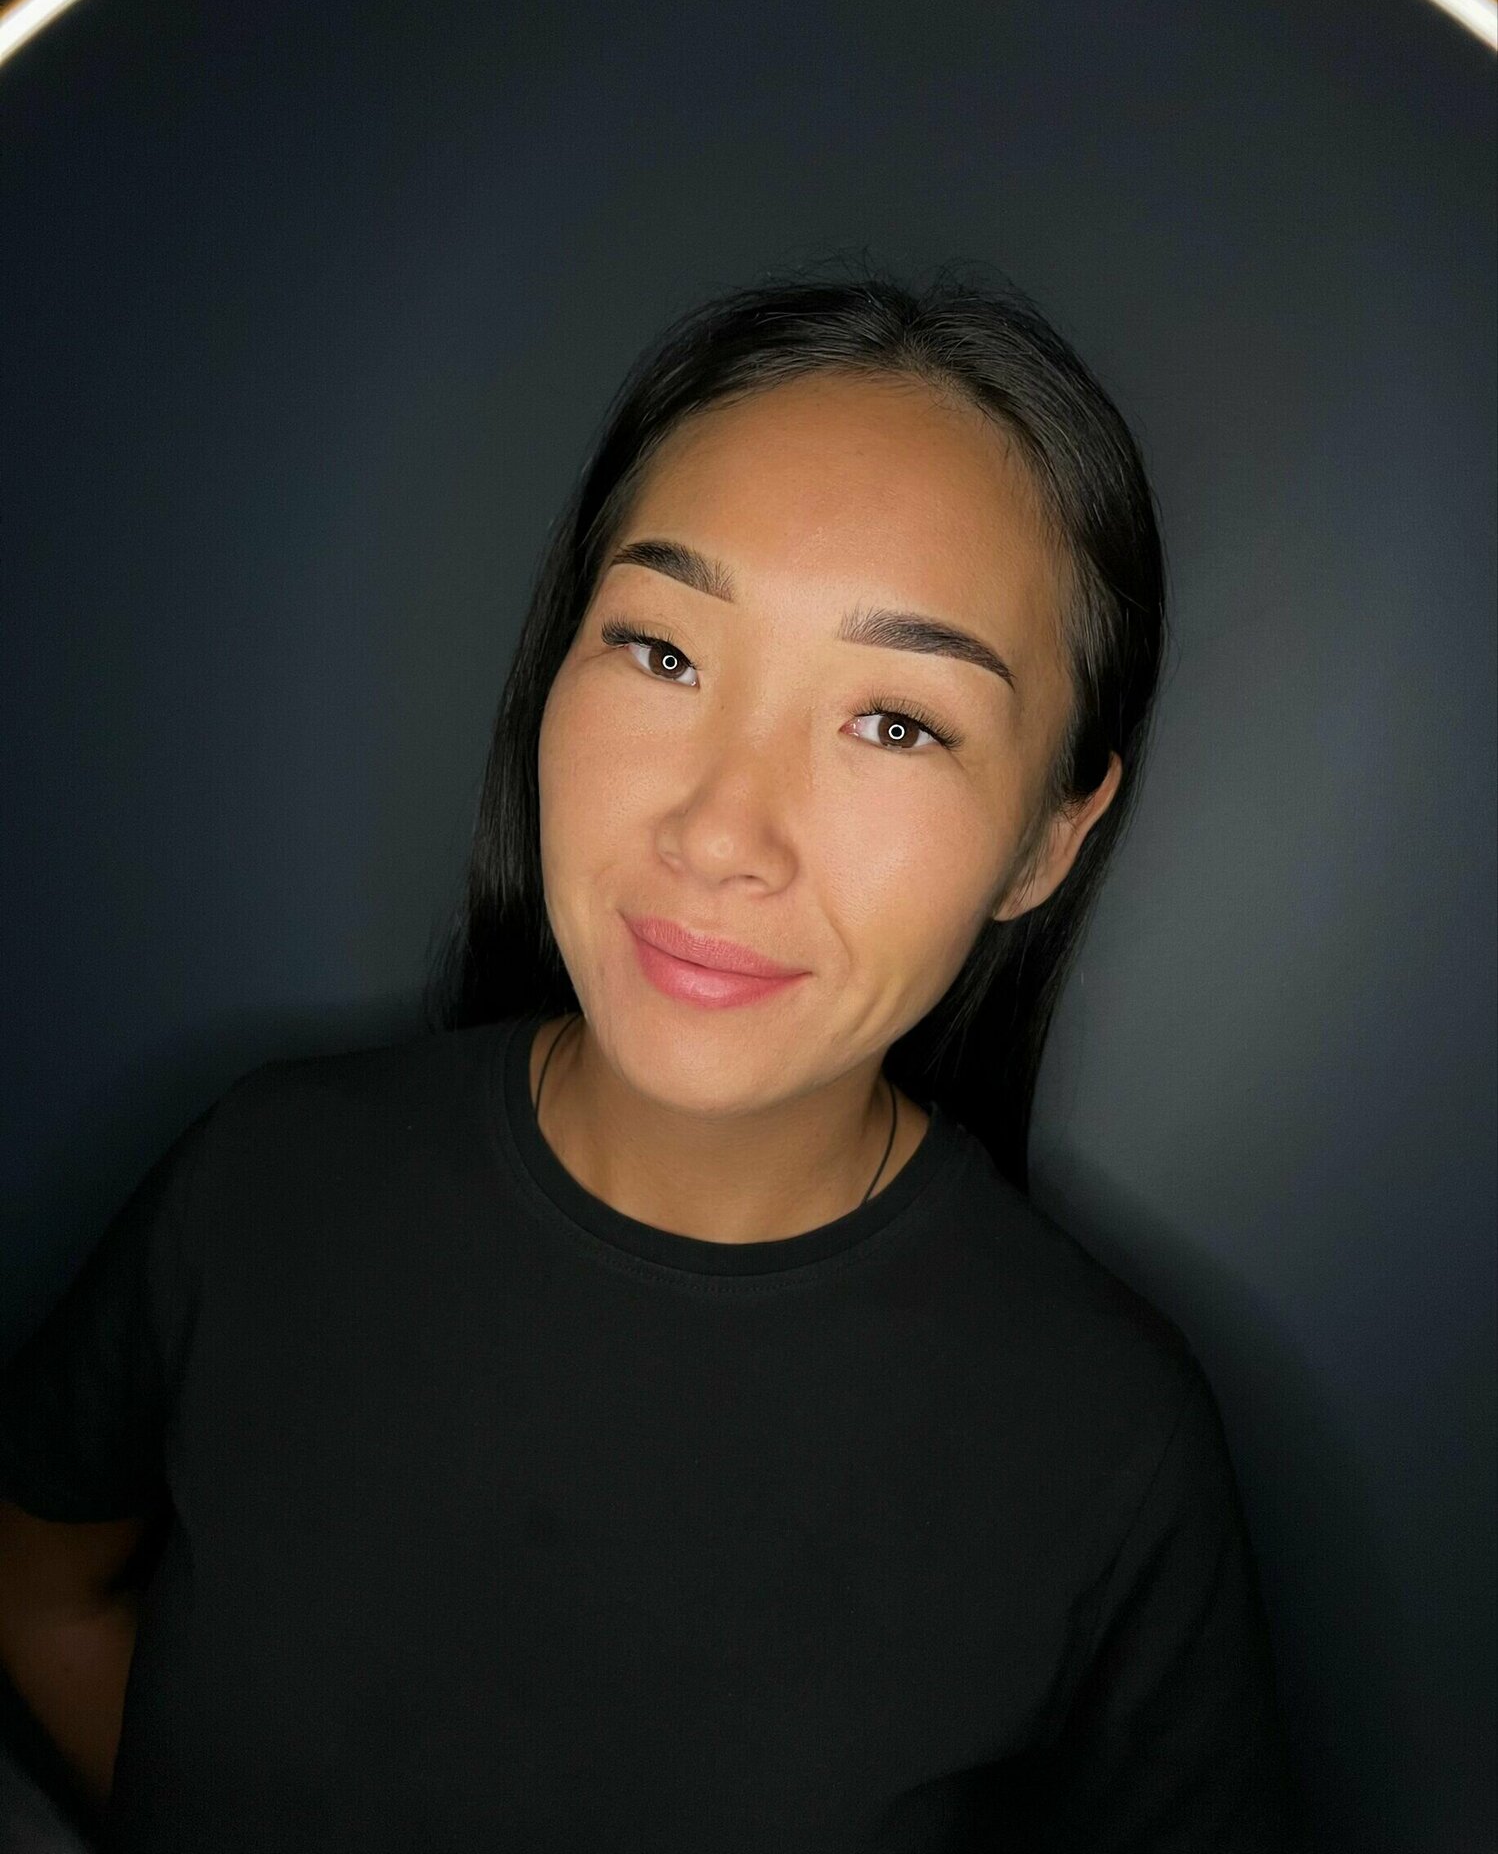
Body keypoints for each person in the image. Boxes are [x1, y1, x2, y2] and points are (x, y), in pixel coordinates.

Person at [0, 265, 1302, 1849]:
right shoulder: (261, 1181)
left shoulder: (1104, 1437)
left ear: (1048, 837)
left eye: (896, 723)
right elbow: (40, 1590)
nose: (719, 829)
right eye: (664, 654)